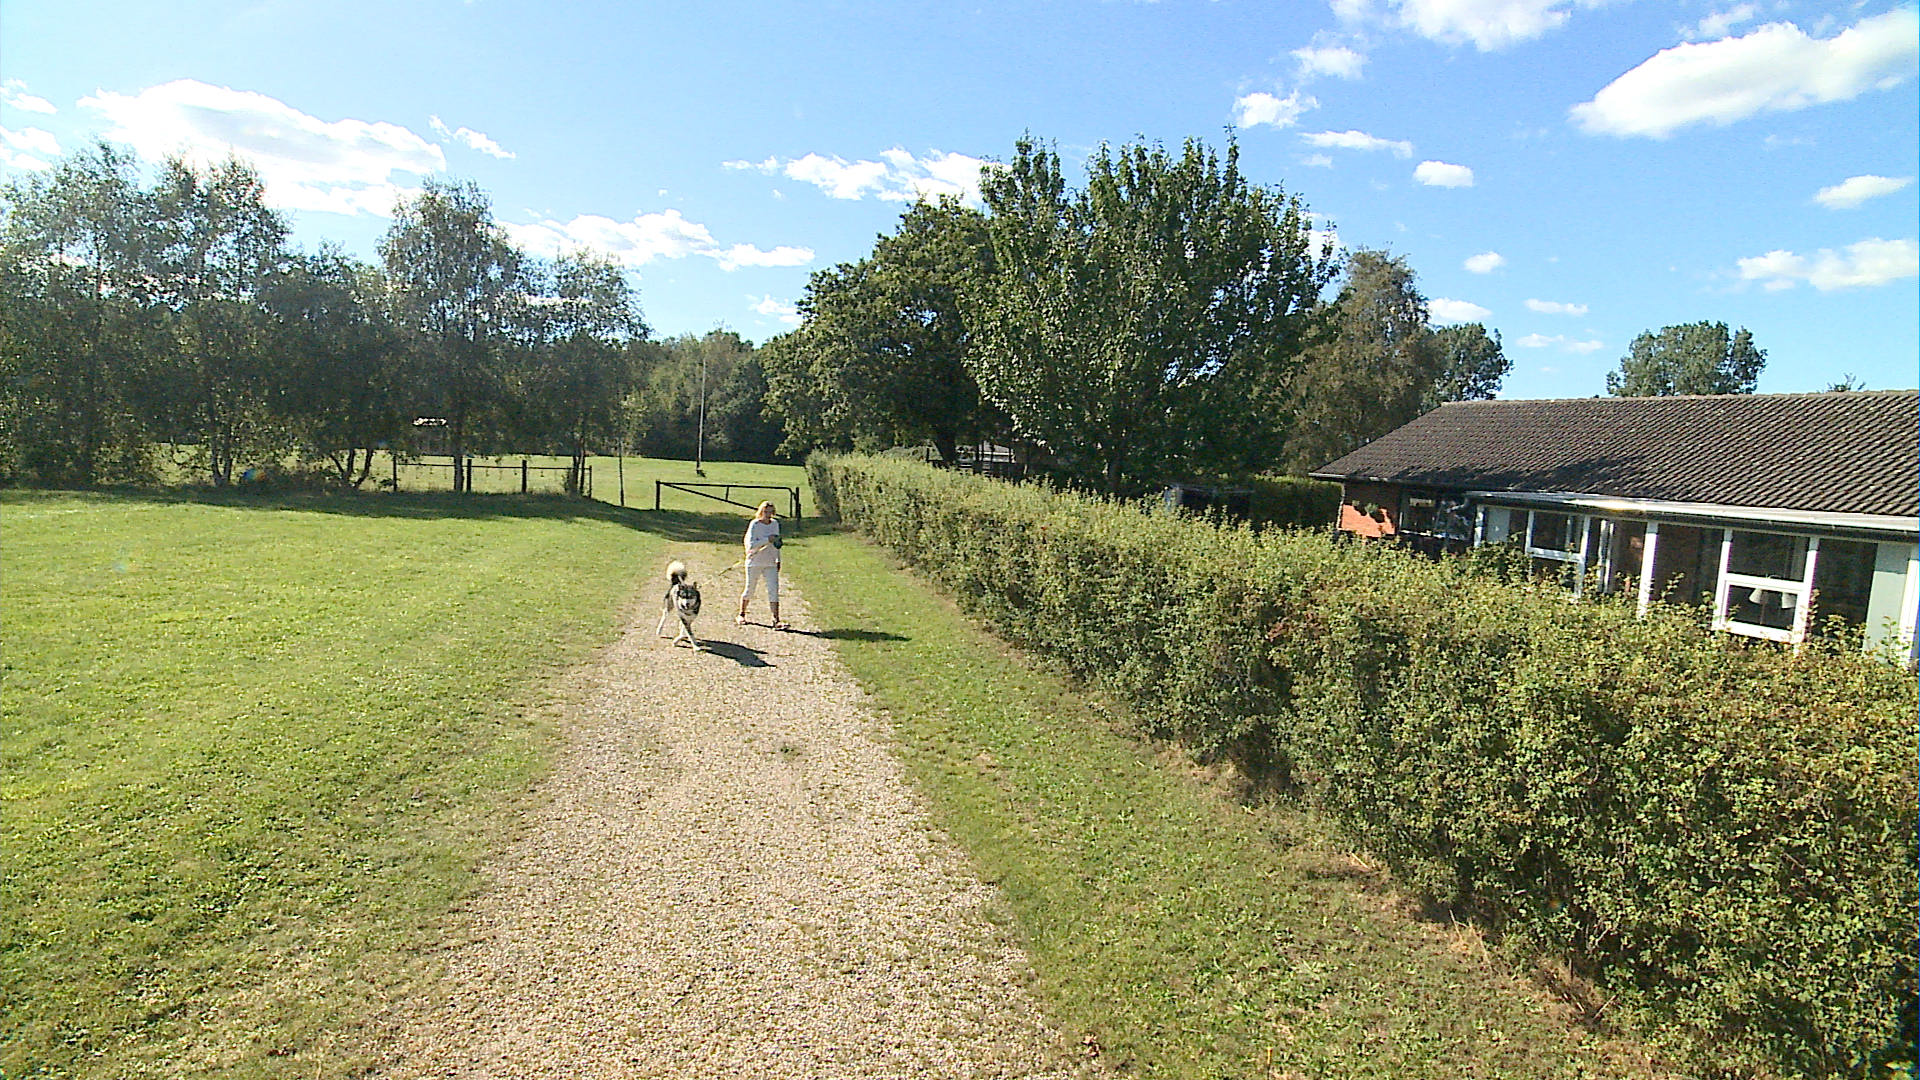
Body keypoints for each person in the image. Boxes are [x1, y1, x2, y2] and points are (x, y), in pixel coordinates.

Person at [738, 501, 787, 630]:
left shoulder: (775, 524)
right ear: (761, 512)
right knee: (750, 589)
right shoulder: (755, 524)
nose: (768, 515)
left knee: (773, 590)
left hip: (770, 562)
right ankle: (741, 614)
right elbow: (751, 545)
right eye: (766, 512)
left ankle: (776, 619)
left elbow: (776, 543)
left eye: (770, 512)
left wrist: (778, 559)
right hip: (755, 561)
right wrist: (767, 540)